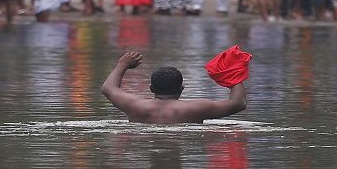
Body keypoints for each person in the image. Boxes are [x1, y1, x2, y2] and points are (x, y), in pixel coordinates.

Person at [101, 52, 247, 124]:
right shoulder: (197, 108)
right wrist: (233, 74)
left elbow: (108, 88)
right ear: (182, 88)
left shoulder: (134, 105)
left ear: (151, 88)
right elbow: (238, 103)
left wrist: (122, 65)